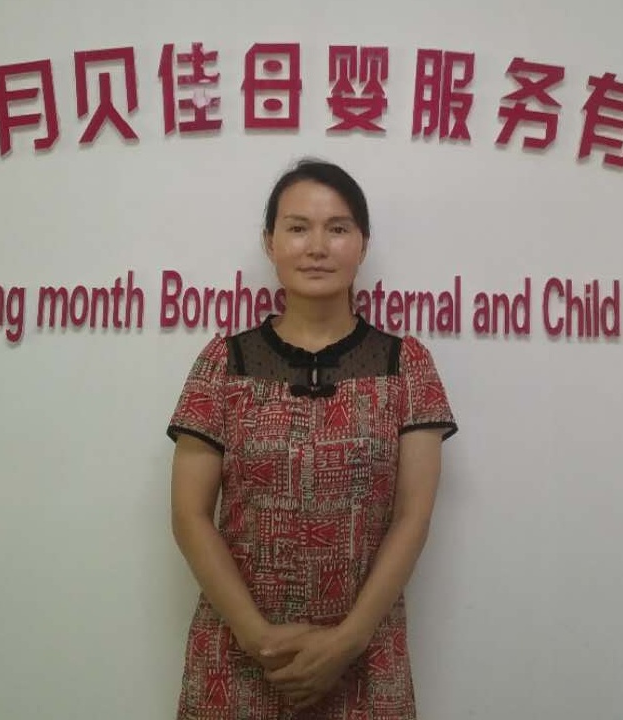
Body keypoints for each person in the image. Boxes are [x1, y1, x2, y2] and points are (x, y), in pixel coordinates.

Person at [166, 159, 458, 719]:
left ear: (363, 244)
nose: (317, 247)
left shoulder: (406, 365)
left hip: (365, 658)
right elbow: (189, 515)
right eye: (298, 228)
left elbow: (413, 516)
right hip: (239, 658)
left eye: (338, 228)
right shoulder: (224, 362)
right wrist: (259, 638)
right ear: (270, 242)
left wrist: (348, 640)